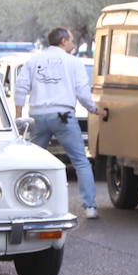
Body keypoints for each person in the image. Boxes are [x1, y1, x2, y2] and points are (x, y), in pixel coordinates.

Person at [14, 27, 99, 218]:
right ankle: (90, 206)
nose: (73, 43)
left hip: (38, 117)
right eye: (71, 40)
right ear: (63, 41)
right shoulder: (73, 63)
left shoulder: (34, 61)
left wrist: (18, 119)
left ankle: (27, 202)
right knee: (80, 161)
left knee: (33, 162)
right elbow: (82, 93)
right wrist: (94, 109)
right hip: (63, 116)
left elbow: (21, 89)